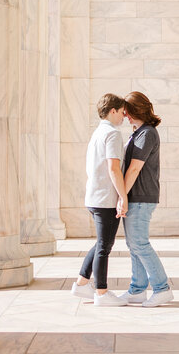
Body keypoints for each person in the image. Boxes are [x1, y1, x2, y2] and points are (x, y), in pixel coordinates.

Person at [71, 93, 130, 306]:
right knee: (105, 246)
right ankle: (102, 293)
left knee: (101, 243)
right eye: (122, 112)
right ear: (112, 111)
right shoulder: (112, 133)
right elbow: (113, 168)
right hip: (105, 198)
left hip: (94, 196)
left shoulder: (97, 132)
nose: (124, 116)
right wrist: (123, 197)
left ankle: (81, 284)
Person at [118, 91, 173, 307]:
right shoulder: (138, 132)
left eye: (128, 112)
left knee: (140, 244)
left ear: (136, 110)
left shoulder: (147, 133)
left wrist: (122, 197)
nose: (126, 116)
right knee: (134, 245)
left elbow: (134, 170)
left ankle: (162, 288)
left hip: (141, 197)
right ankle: (137, 290)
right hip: (135, 196)